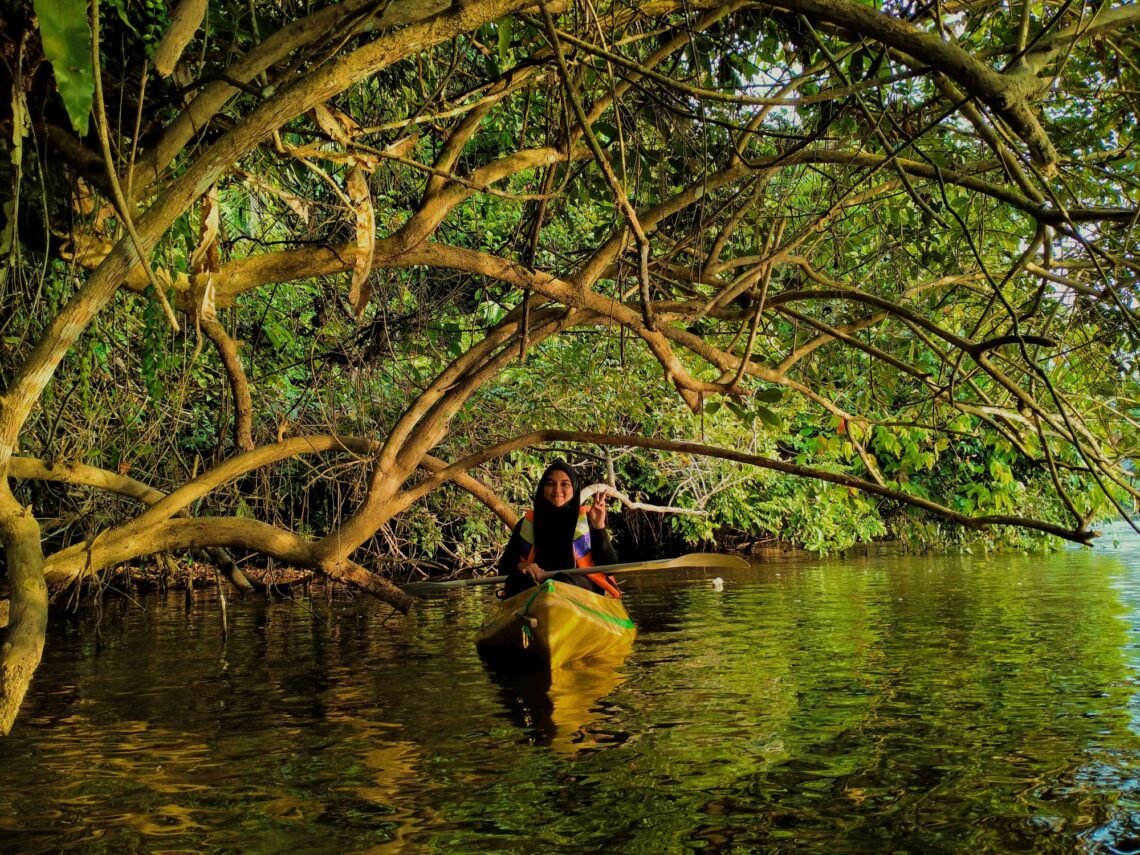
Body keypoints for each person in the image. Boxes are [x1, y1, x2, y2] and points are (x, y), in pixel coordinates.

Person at [497, 461, 621, 599]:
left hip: (579, 586)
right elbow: (503, 568)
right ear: (542, 488)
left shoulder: (588, 519)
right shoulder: (527, 523)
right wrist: (522, 566)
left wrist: (599, 526)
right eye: (550, 483)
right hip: (537, 586)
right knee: (516, 581)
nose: (557, 490)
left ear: (574, 488)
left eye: (564, 484)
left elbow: (610, 568)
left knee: (561, 580)